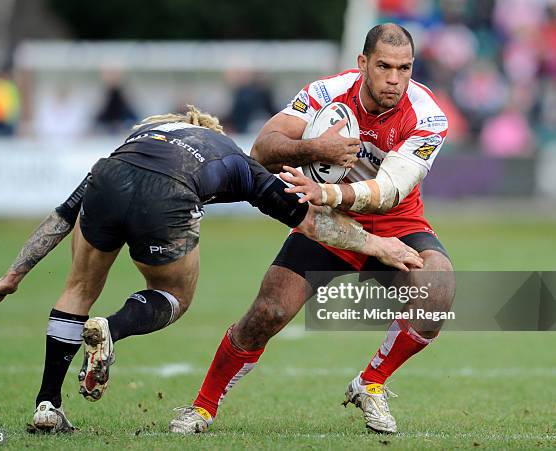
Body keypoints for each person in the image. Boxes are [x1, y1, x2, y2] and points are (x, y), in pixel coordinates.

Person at [0, 105, 422, 433]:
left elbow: (63, 214)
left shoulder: (139, 141)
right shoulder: (232, 156)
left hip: (107, 177)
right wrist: (377, 243)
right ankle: (113, 327)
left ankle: (47, 403)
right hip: (167, 196)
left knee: (79, 286)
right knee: (174, 295)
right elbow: (309, 220)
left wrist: (17, 271)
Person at [169, 24, 455, 435]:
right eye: (384, 66)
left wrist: (327, 192)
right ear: (362, 64)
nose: (395, 79)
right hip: (327, 225)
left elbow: (391, 190)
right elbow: (262, 150)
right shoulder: (326, 94)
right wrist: (314, 148)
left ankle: (371, 384)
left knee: (439, 288)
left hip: (395, 222)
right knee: (269, 312)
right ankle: (202, 407)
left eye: (405, 68)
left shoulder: (428, 115)